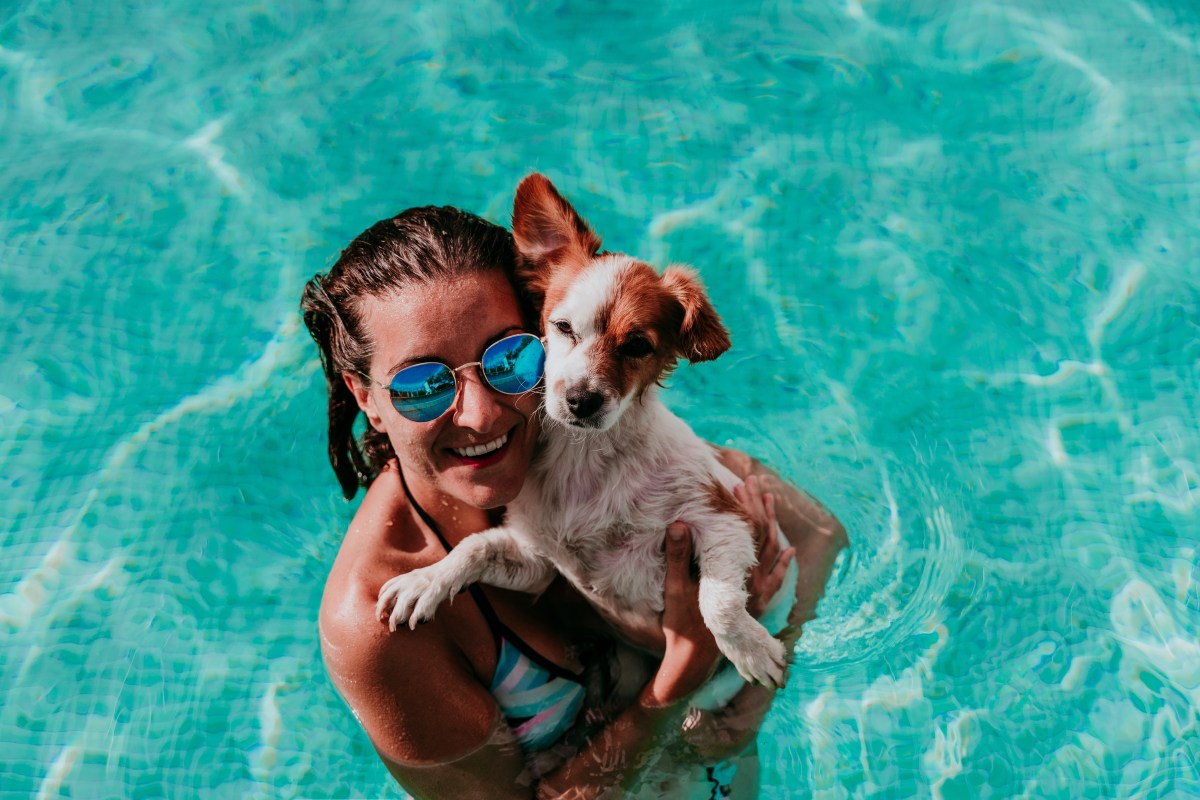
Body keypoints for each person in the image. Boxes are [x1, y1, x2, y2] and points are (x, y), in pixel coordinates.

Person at [301, 205, 847, 799]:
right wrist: (680, 678)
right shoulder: (374, 629)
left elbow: (819, 533)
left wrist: (756, 690)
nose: (482, 413)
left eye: (507, 358)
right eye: (422, 384)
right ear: (367, 397)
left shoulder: (594, 439)